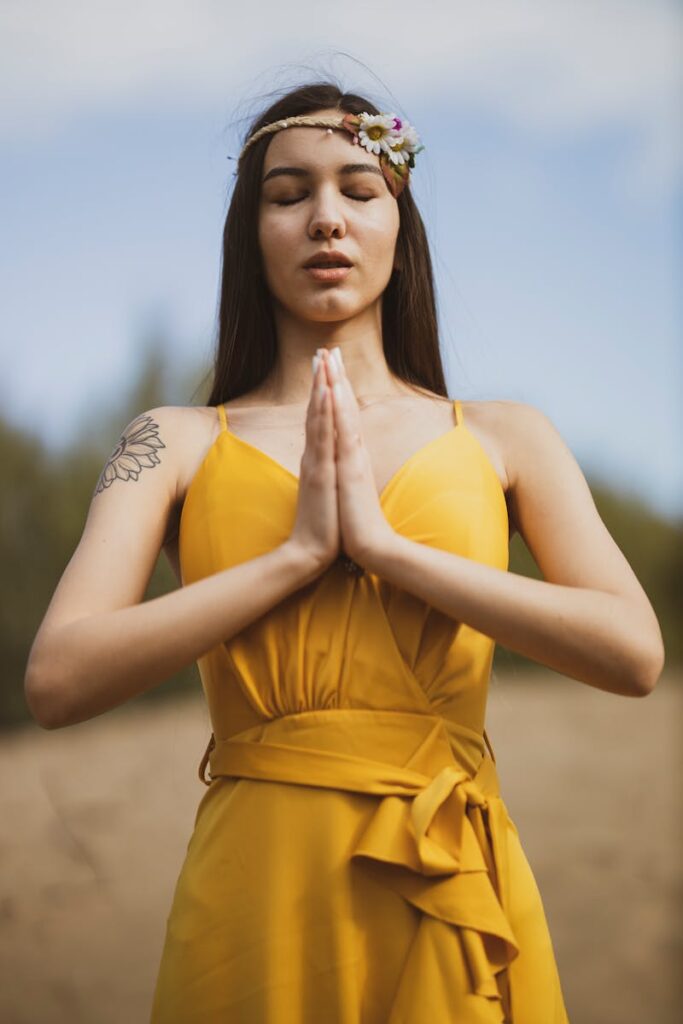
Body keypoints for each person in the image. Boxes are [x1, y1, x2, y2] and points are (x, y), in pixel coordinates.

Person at [24, 82, 665, 1024]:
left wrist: (385, 551)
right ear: (253, 232)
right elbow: (56, 679)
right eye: (289, 194)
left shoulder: (505, 435)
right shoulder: (168, 440)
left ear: (400, 225)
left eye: (358, 189)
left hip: (446, 869)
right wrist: (294, 557)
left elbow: (634, 652)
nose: (325, 217)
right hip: (255, 886)